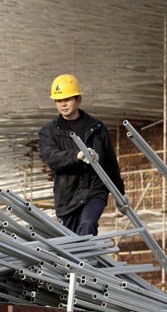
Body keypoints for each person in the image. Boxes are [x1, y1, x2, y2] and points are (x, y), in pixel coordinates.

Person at [38, 74, 127, 236]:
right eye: (59, 101)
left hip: (95, 190)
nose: (63, 104)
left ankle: (85, 260)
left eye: (68, 99)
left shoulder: (97, 127)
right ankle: (83, 261)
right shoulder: (48, 132)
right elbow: (52, 159)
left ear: (79, 100)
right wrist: (77, 156)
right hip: (68, 196)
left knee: (88, 223)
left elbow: (110, 163)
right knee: (69, 240)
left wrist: (120, 194)